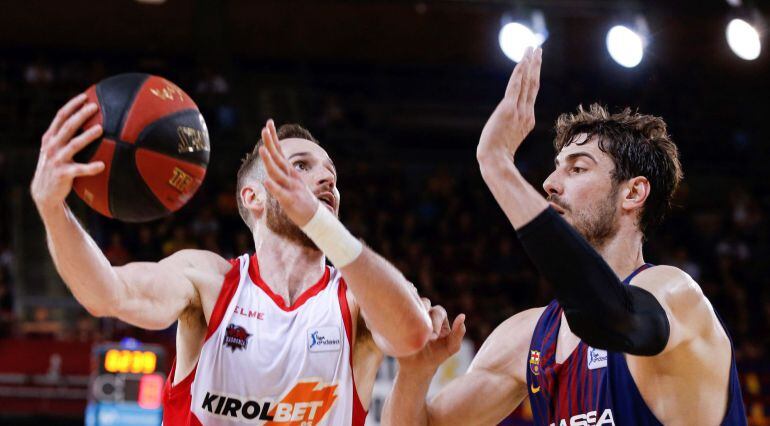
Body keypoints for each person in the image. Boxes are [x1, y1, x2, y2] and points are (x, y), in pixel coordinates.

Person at [31, 94, 447, 425]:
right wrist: (52, 209)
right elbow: (107, 294)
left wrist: (323, 227)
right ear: (254, 197)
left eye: (331, 174)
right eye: (301, 166)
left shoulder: (358, 298)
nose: (326, 179)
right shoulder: (208, 282)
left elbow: (412, 337)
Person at [383, 47, 747, 425]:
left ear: (633, 193)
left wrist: (497, 165)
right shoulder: (527, 337)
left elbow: (609, 319)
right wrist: (414, 370)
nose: (549, 183)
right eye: (556, 169)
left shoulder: (676, 296)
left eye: (577, 169)